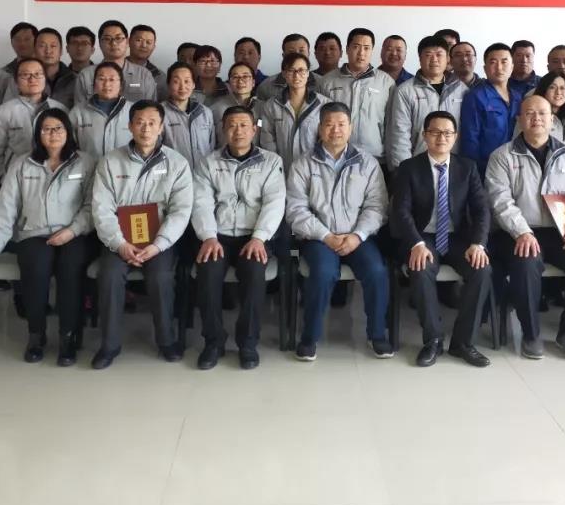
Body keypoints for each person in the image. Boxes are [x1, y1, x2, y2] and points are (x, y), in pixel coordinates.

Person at [0, 109, 95, 365]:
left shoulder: (86, 162)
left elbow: (92, 205)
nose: (53, 134)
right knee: (35, 268)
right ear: (38, 134)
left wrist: (72, 230)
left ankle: (68, 336)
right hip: (34, 233)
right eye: (46, 129)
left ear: (68, 132)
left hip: (74, 233)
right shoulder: (22, 163)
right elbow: (6, 207)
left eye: (58, 128)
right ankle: (36, 334)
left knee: (70, 268)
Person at [486, 95, 565, 360]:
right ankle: (531, 333)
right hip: (516, 231)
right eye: (529, 113)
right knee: (526, 263)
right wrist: (522, 231)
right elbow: (499, 200)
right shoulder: (502, 156)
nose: (536, 118)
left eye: (542, 113)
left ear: (552, 120)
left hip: (562, 230)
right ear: (519, 120)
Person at [90, 101, 194, 370]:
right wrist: (119, 244)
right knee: (109, 276)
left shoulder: (177, 163)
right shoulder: (111, 161)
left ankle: (167, 340)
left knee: (161, 277)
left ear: (161, 128)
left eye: (151, 123)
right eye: (139, 122)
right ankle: (109, 345)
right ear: (129, 126)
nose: (145, 129)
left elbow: (181, 211)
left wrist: (158, 245)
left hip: (159, 240)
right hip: (119, 240)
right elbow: (101, 209)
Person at [286, 103, 391, 361]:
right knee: (323, 273)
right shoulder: (303, 164)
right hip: (318, 238)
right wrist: (325, 236)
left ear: (350, 128)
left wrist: (357, 236)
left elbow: (377, 206)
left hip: (358, 236)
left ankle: (377, 335)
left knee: (377, 271)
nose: (336, 130)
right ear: (320, 128)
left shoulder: (367, 163)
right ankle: (309, 338)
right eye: (329, 124)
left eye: (341, 124)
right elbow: (296, 210)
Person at [391, 111, 492, 367]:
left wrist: (478, 244)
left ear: (455, 137)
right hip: (423, 236)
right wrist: (416, 243)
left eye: (447, 133)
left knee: (482, 270)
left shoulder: (467, 168)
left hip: (457, 237)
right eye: (435, 132)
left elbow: (481, 209)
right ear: (425, 136)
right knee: (420, 267)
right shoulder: (409, 168)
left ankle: (463, 343)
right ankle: (433, 340)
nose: (441, 138)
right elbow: (401, 211)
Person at [191, 107, 286, 370]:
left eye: (244, 125)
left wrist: (260, 237)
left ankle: (248, 343)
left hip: (254, 236)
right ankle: (213, 341)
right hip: (217, 236)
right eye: (232, 125)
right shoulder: (208, 162)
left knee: (254, 275)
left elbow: (275, 203)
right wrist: (208, 236)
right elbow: (200, 203)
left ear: (254, 130)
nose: (238, 131)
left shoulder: (271, 161)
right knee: (207, 274)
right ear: (223, 130)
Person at [316, 27, 396, 165]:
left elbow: (392, 124)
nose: (361, 53)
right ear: (347, 49)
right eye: (356, 47)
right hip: (335, 157)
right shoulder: (327, 81)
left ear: (372, 51)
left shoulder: (386, 82)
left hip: (374, 158)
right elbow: (318, 121)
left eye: (366, 48)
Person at [386, 36, 466, 171]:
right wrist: (404, 171)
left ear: (448, 58)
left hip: (453, 167)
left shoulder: (462, 90)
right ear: (420, 59)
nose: (434, 59)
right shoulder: (405, 91)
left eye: (439, 54)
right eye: (428, 55)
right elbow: (399, 135)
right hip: (417, 167)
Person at [0, 57, 66, 180]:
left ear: (45, 78)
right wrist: (7, 174)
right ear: (16, 81)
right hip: (16, 180)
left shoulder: (61, 110)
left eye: (37, 74)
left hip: (54, 177)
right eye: (25, 75)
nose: (32, 79)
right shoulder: (2, 113)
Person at [257, 53, 330, 173]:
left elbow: (327, 140)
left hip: (315, 169)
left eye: (301, 70)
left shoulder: (324, 104)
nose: (296, 75)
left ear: (308, 73)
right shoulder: (271, 106)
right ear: (284, 74)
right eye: (291, 70)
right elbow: (267, 140)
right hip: (282, 169)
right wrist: (277, 168)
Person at [459, 42, 520, 175]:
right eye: (493, 62)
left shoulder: (518, 97)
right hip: (486, 168)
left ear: (512, 67)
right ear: (485, 68)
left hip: (516, 167)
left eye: (504, 62)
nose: (499, 67)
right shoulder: (475, 97)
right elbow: (470, 139)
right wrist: (474, 173)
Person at [74, 21, 157, 105]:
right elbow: (80, 110)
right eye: (107, 39)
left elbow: (152, 109)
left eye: (118, 38)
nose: (113, 43)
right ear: (100, 43)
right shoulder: (86, 75)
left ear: (127, 42)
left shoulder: (144, 75)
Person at [68, 61, 133, 162]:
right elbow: (69, 146)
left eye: (112, 79)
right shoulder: (78, 112)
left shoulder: (133, 111)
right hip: (88, 169)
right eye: (101, 79)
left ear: (121, 85)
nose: (107, 84)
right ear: (94, 84)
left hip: (125, 169)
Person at [161, 62, 215, 167]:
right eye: (176, 82)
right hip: (174, 172)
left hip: (203, 173)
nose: (182, 87)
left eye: (187, 81)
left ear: (193, 84)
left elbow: (211, 147)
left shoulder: (205, 112)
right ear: (168, 84)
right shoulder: (160, 113)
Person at [210, 62, 259, 147]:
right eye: (235, 77)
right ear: (229, 83)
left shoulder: (263, 107)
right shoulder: (215, 108)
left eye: (245, 76)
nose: (240, 81)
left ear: (253, 82)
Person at [256, 33, 311, 100]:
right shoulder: (266, 86)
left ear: (309, 54)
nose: (297, 55)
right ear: (283, 56)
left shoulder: (320, 83)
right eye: (291, 52)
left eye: (301, 51)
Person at [32, 27, 77, 109]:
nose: (48, 51)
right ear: (34, 50)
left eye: (53, 46)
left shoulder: (76, 80)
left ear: (61, 51)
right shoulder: (25, 79)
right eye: (42, 46)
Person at [530, 71, 565, 145]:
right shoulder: (531, 116)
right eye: (552, 87)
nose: (558, 92)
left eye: (562, 88)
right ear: (544, 90)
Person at [129, 24, 167, 93]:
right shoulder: (114, 68)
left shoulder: (159, 76)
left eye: (149, 42)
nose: (144, 45)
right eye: (139, 40)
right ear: (129, 41)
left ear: (154, 47)